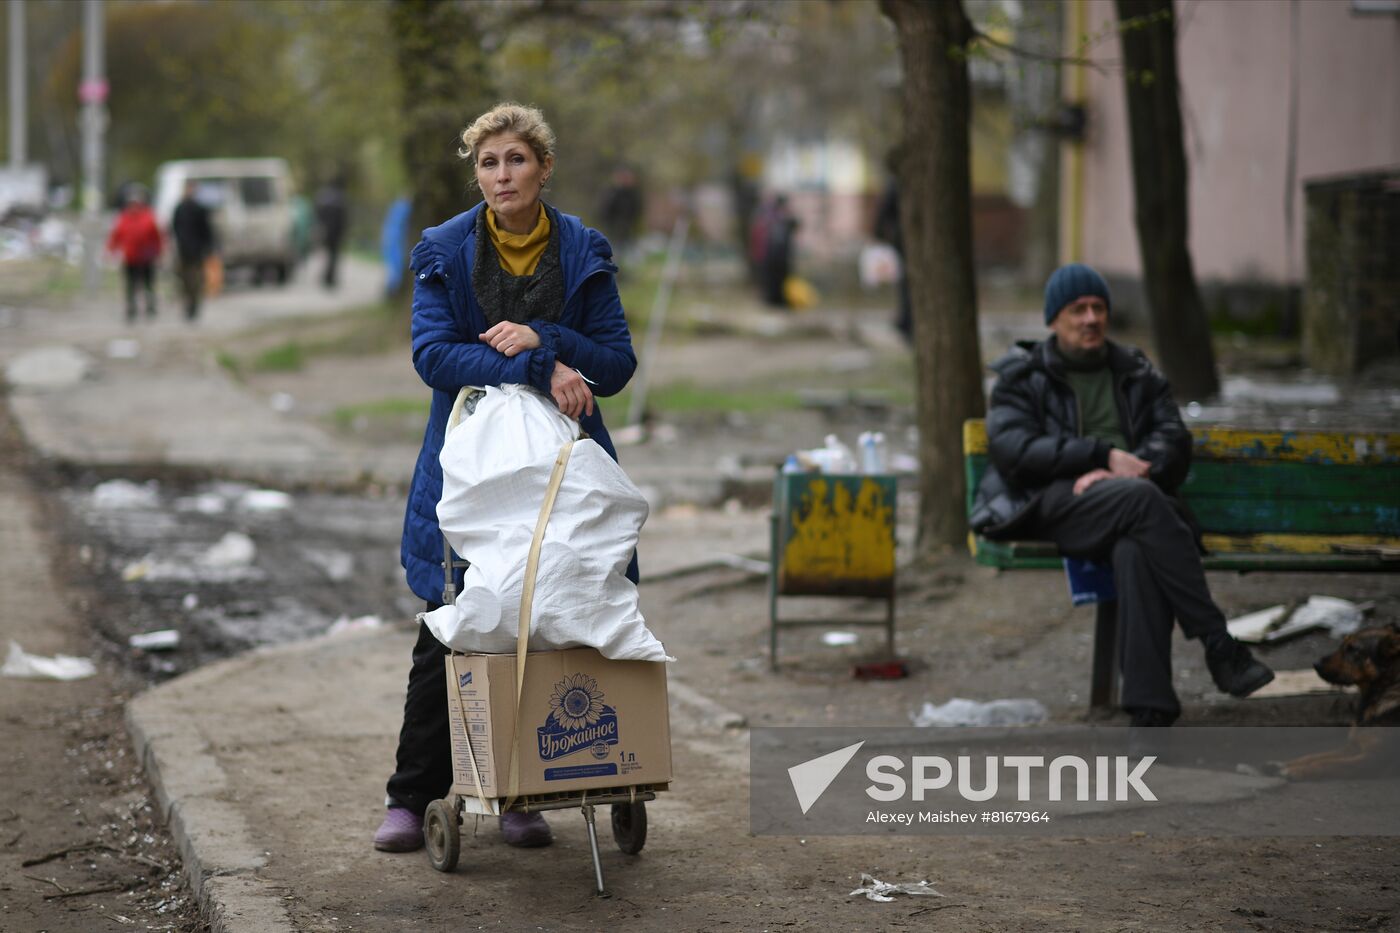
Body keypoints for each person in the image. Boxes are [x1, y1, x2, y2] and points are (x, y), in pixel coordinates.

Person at [375, 102, 638, 854]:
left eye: (516, 160)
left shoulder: (582, 248)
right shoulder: (445, 249)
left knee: (549, 623)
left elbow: (616, 365)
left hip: (561, 471)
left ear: (544, 167)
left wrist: (546, 333)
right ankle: (409, 795)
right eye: (488, 163)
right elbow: (434, 354)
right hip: (466, 467)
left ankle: (526, 790)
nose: (501, 176)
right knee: (451, 623)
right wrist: (540, 362)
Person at [969, 262, 1274, 727]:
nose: (1091, 318)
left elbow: (1173, 438)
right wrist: (1100, 457)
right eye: (1077, 309)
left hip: (1136, 506)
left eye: (1098, 307)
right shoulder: (1021, 376)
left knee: (1135, 549)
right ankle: (1218, 643)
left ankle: (1150, 713)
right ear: (1054, 319)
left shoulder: (1136, 371)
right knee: (1142, 501)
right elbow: (1014, 450)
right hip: (1055, 504)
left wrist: (1133, 470)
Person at [106, 186, 163, 323]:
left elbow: (156, 236)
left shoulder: (148, 217)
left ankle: (150, 307)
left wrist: (158, 252)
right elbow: (116, 236)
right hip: (130, 257)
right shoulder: (123, 218)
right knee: (131, 285)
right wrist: (111, 250)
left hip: (146, 257)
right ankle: (131, 309)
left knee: (148, 284)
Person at [171, 181, 215, 322]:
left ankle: (194, 305)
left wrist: (207, 247)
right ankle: (188, 304)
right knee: (184, 279)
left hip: (196, 250)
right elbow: (174, 228)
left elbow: (207, 230)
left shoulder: (199, 209)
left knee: (195, 279)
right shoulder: (180, 208)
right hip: (183, 250)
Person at [315, 176, 348, 289]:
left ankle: (325, 276)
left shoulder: (323, 196)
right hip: (336, 232)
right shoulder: (340, 198)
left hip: (325, 230)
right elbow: (344, 218)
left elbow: (317, 213)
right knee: (334, 255)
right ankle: (331, 277)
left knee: (324, 254)